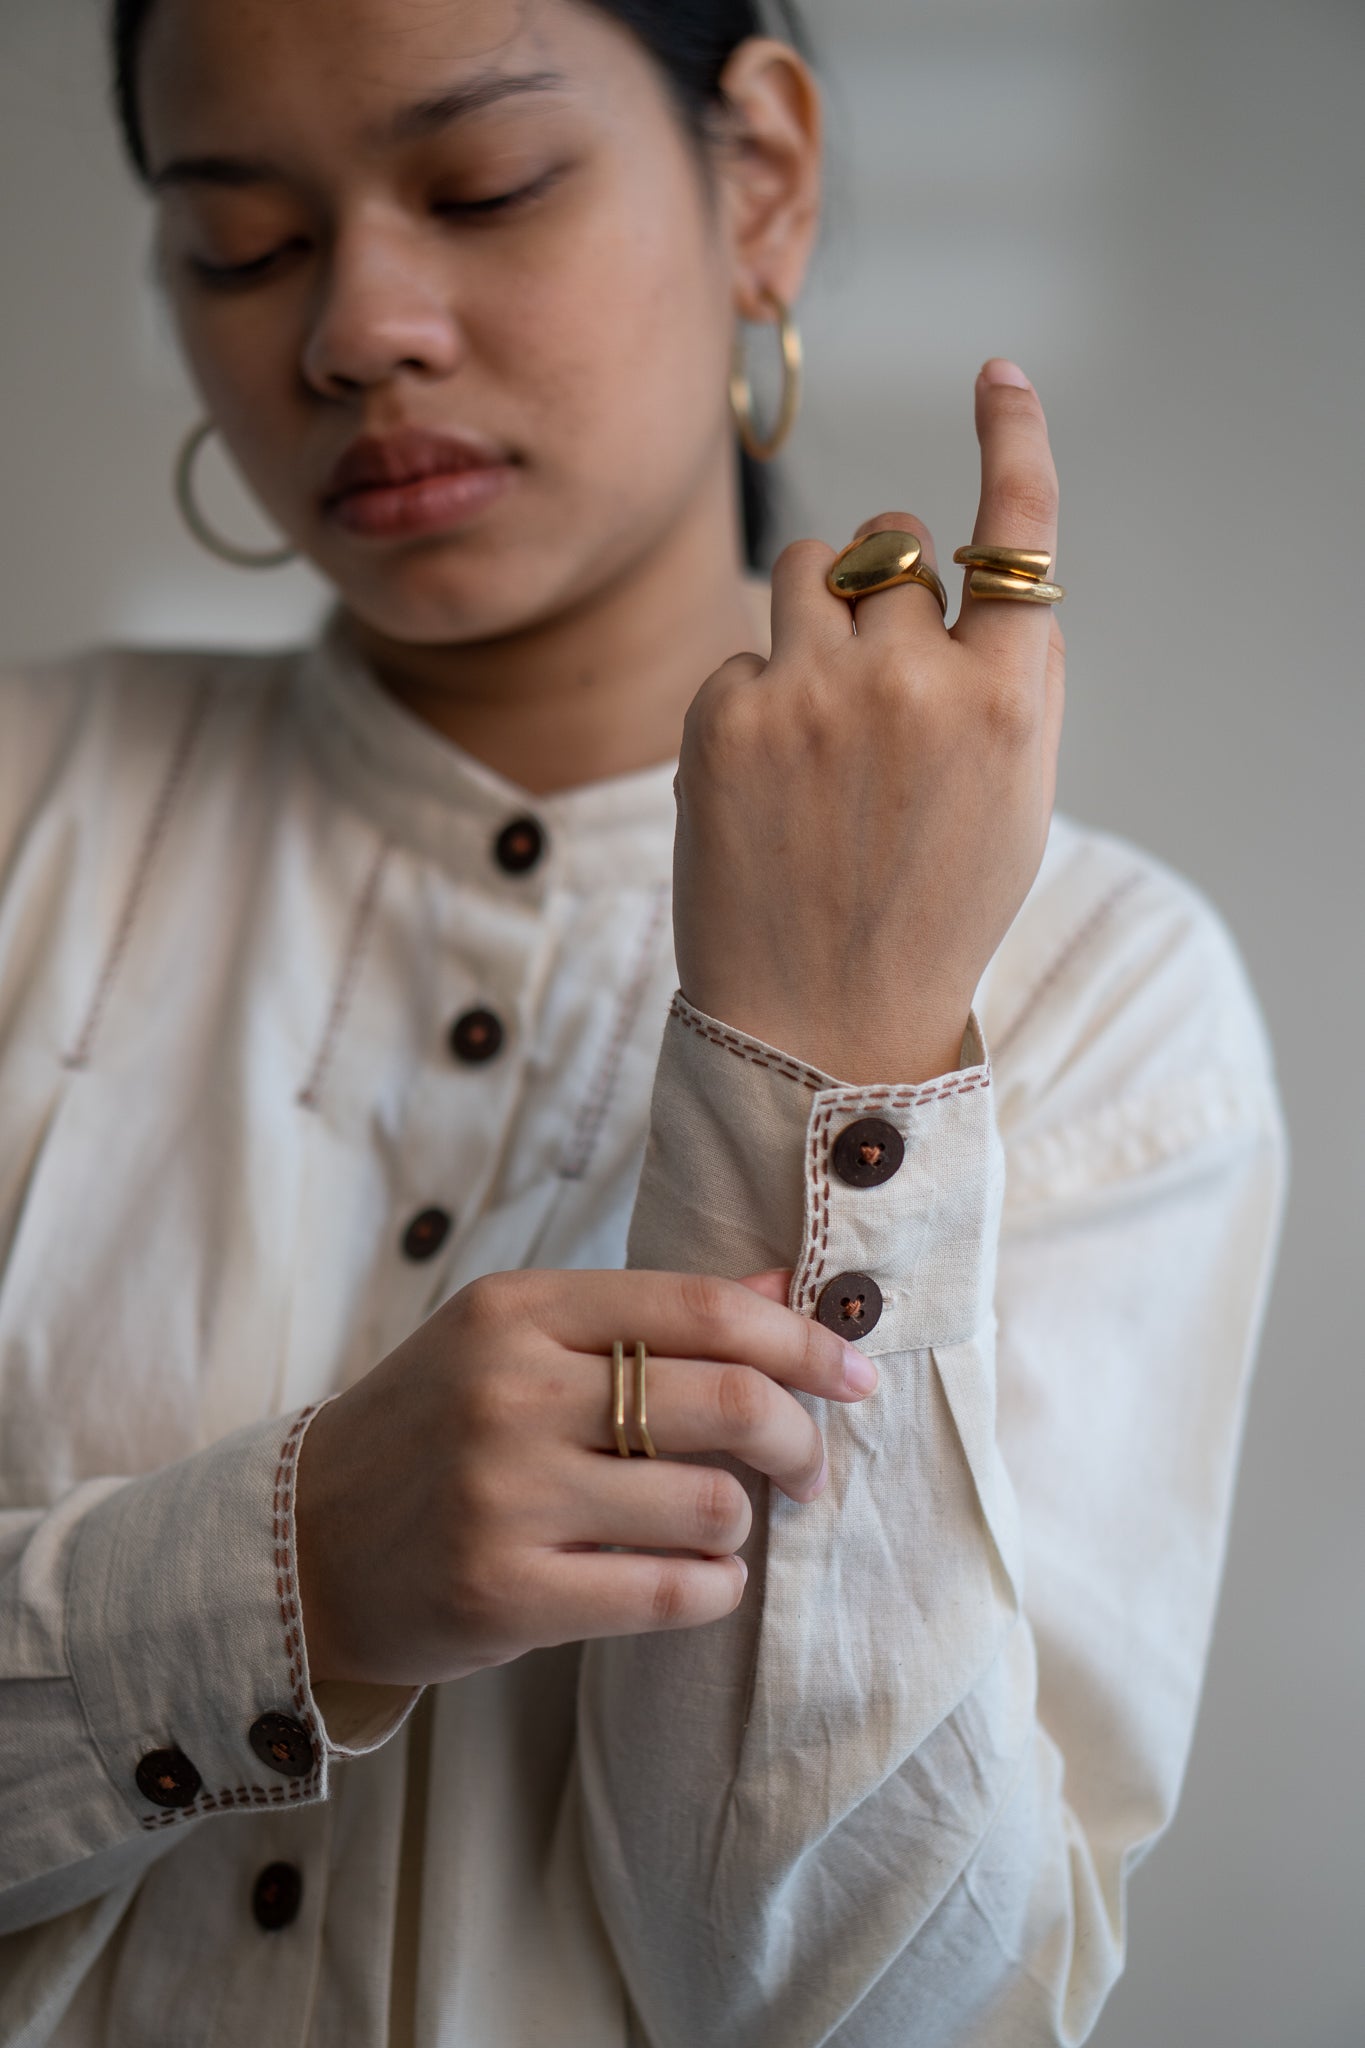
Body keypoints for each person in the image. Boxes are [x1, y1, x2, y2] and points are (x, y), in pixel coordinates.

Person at [0, 0, 1288, 2042]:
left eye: (482, 188)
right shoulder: (25, 813)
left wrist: (831, 1058)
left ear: (756, 176)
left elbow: (871, 2009)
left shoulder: (1103, 990)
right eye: (244, 243)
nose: (356, 330)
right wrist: (290, 1574)